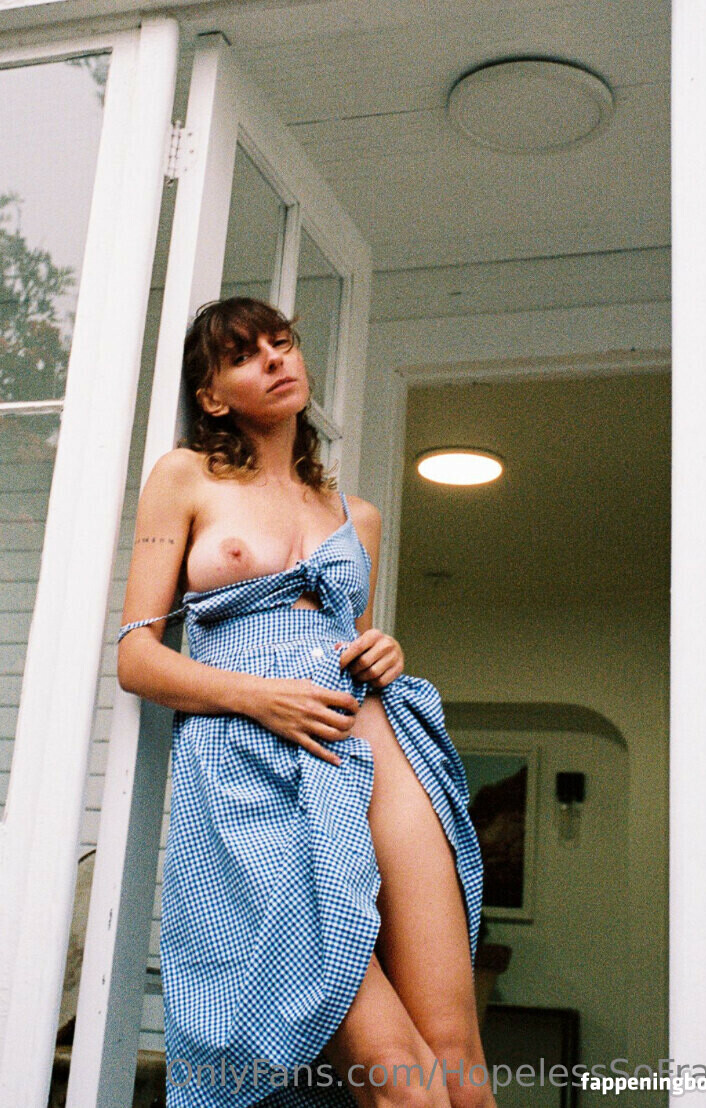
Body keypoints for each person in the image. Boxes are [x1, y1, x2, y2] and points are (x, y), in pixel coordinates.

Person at [117, 297, 492, 1108]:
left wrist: (384, 650)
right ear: (213, 396)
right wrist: (258, 698)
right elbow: (136, 656)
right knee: (399, 1080)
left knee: (457, 1060)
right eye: (244, 355)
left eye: (281, 342)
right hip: (255, 763)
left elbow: (347, 641)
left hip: (378, 743)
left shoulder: (358, 517)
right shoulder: (185, 476)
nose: (275, 359)